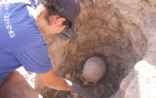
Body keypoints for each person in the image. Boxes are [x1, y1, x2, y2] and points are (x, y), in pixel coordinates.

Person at [0, 0, 81, 97]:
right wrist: (74, 87)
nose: (63, 31)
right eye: (66, 27)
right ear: (59, 21)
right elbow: (51, 81)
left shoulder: (20, 2)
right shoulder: (31, 42)